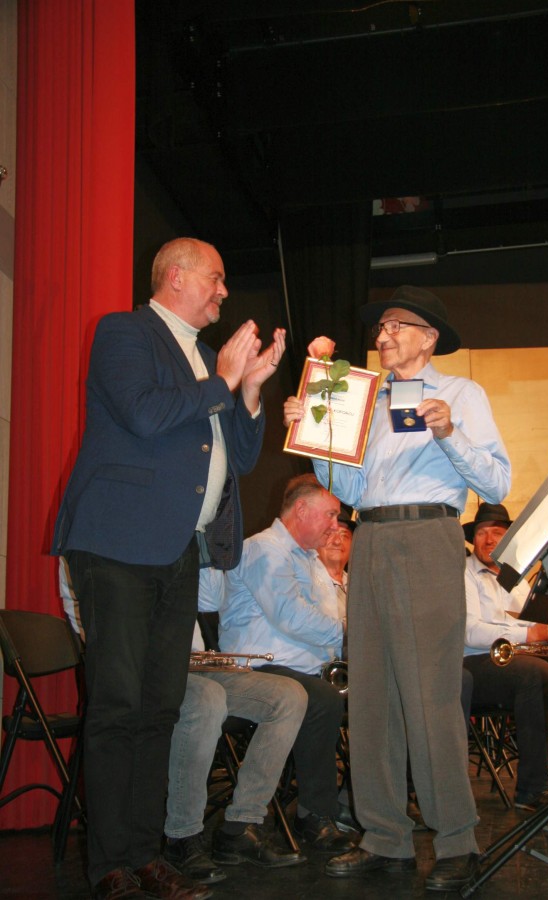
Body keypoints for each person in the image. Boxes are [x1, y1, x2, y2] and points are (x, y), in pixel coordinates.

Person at [52, 237, 285, 900]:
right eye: (216, 278)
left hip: (180, 551)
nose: (224, 291)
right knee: (118, 706)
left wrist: (250, 390)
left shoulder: (211, 361)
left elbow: (241, 457)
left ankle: (145, 854)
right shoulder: (123, 332)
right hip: (117, 544)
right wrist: (223, 382)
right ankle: (110, 866)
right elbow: (145, 414)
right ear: (176, 276)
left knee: (161, 708)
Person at [284, 286, 511, 891]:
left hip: (428, 535)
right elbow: (351, 491)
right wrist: (317, 434)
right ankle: (384, 836)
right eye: (380, 327)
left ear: (429, 338)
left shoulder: (461, 394)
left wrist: (449, 432)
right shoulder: (366, 397)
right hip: (372, 538)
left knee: (430, 695)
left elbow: (497, 481)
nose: (382, 335)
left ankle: (457, 839)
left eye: (395, 326)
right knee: (372, 696)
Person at [219, 474, 358, 855]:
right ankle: (314, 816)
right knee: (322, 699)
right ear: (301, 509)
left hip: (296, 669)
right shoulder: (264, 549)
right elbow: (291, 617)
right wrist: (350, 635)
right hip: (256, 668)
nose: (335, 526)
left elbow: (319, 617)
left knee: (378, 693)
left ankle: (351, 801)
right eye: (330, 515)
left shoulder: (304, 558)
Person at [164, 568, 308, 877]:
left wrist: (207, 553)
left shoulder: (180, 550)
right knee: (207, 699)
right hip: (149, 669)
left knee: (289, 696)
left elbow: (211, 600)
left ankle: (240, 828)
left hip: (195, 664)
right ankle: (182, 836)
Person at [463, 502, 548, 809]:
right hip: (475, 664)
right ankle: (533, 788)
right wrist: (533, 634)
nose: (489, 540)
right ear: (474, 539)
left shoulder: (514, 577)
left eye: (497, 533)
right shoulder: (464, 574)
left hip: (516, 657)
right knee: (536, 674)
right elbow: (470, 632)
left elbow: (535, 618)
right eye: (482, 533)